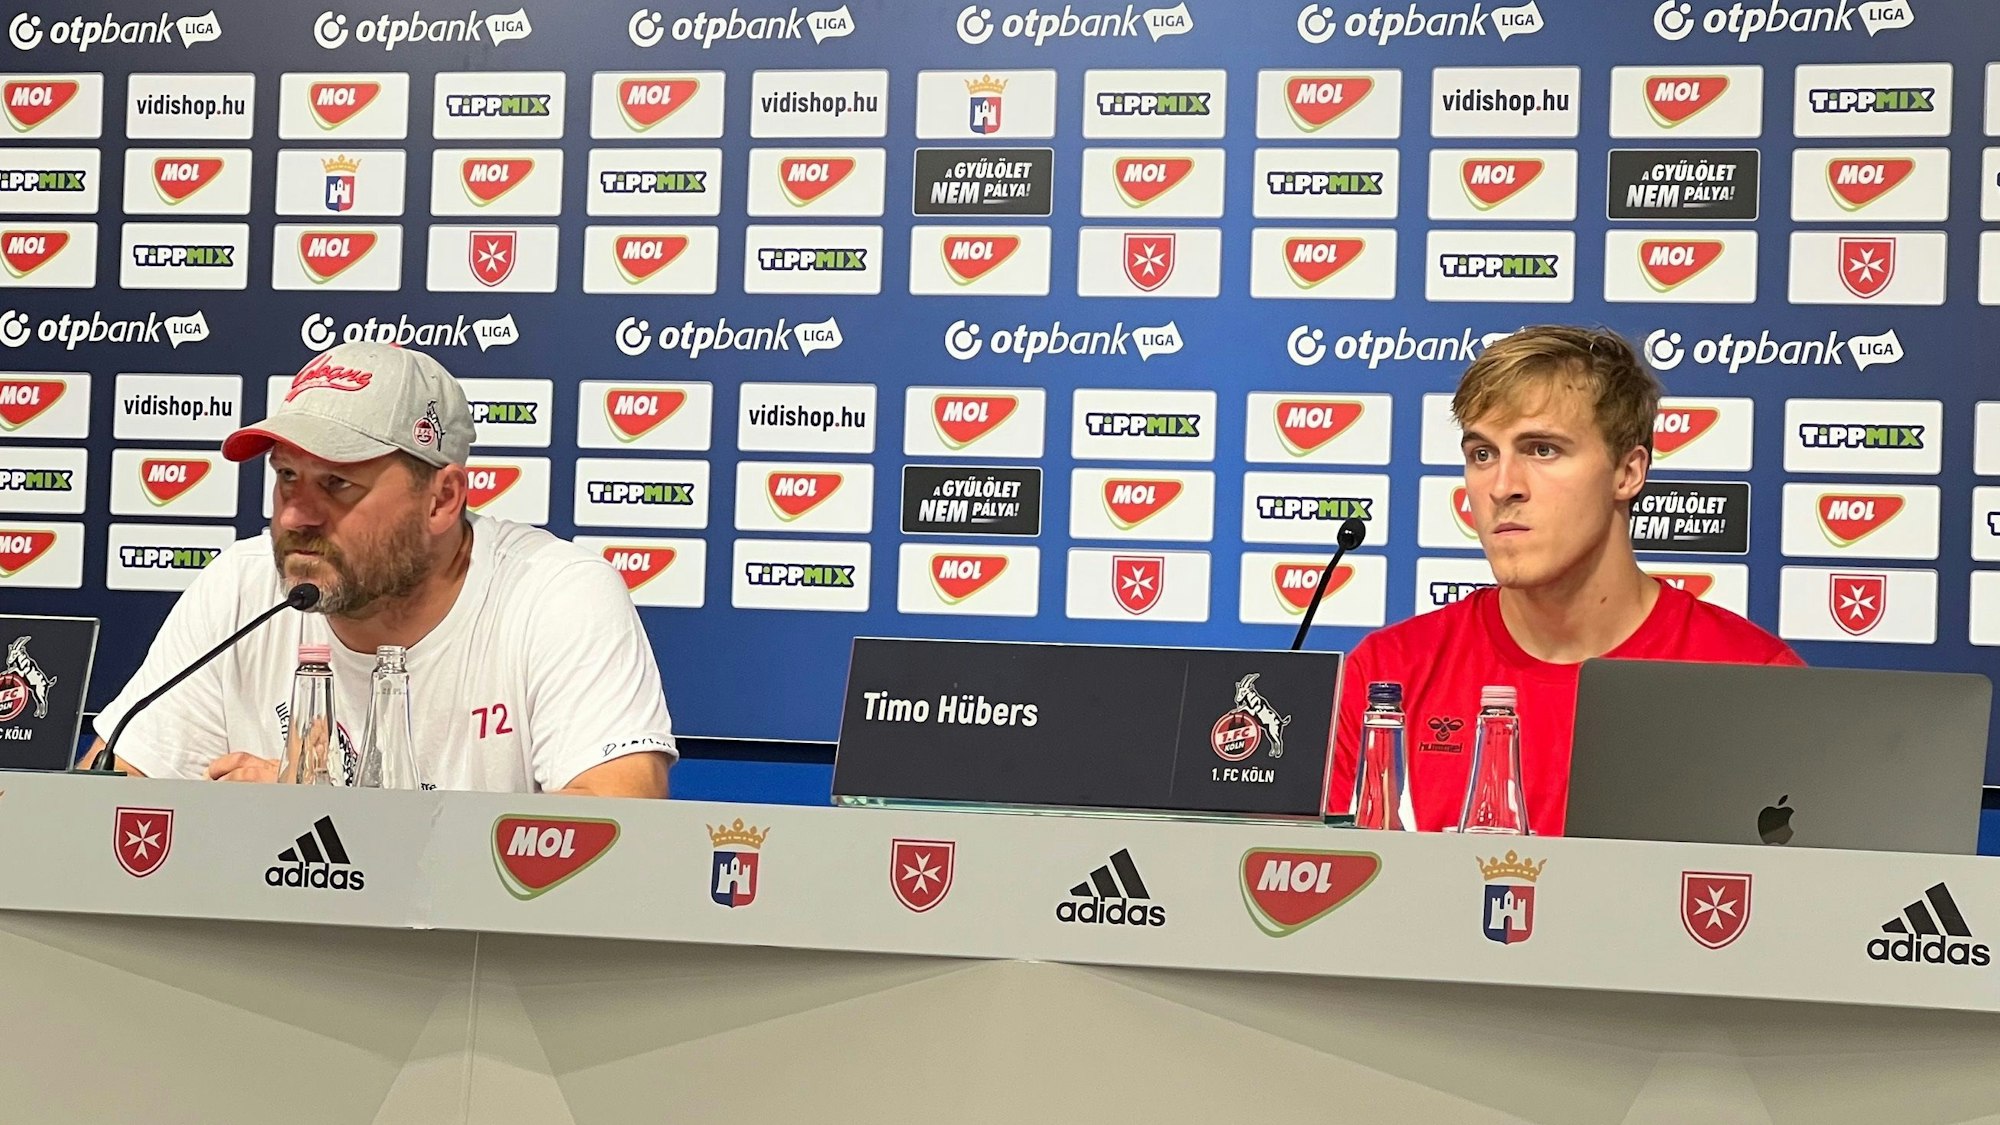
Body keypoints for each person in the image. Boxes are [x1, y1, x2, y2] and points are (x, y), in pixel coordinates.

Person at [89, 341, 676, 796]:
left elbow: (616, 822)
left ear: (442, 499)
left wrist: (335, 816)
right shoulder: (242, 587)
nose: (296, 514)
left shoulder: (552, 594)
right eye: (286, 476)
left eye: (337, 484)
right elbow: (113, 792)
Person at [1328, 326, 1800, 833]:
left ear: (1628, 473)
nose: (1503, 487)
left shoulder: (1755, 679)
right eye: (1482, 454)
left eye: (1542, 450)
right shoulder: (1386, 675)